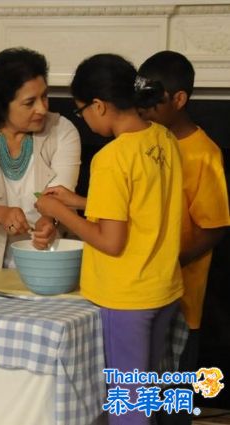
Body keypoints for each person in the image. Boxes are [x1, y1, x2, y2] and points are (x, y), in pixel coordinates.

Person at [36, 54, 183, 425]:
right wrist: (82, 201)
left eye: (80, 110)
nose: (82, 119)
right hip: (162, 287)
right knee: (144, 398)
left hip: (128, 295)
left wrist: (60, 212)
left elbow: (111, 241)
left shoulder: (111, 159)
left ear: (99, 106)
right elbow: (144, 204)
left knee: (128, 410)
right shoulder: (163, 138)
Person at [138, 51, 230, 425]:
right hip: (142, 294)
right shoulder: (144, 141)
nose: (143, 108)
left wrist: (168, 261)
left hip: (181, 303)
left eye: (152, 99)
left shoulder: (204, 154)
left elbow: (215, 227)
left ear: (179, 99)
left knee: (173, 403)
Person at [0, 47, 81, 269]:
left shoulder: (62, 130)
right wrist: (1, 214)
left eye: (44, 96)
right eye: (30, 102)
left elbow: (62, 194)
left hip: (52, 263)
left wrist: (49, 220)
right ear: (2, 105)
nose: (42, 108)